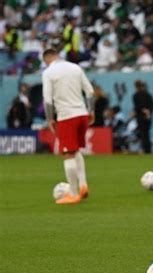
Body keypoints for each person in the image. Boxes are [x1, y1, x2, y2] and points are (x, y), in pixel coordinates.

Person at [42, 48, 94, 204]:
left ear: (47, 59)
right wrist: (91, 111)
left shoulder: (48, 72)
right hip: (82, 114)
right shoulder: (75, 67)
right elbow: (90, 92)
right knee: (75, 150)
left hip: (66, 116)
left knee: (68, 153)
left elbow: (48, 100)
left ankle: (72, 193)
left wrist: (50, 119)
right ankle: (83, 185)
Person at [132, 80, 153, 154]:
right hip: (148, 117)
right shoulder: (148, 95)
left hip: (140, 117)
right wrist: (148, 112)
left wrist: (140, 111)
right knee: (147, 133)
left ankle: (145, 149)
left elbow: (137, 107)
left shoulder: (135, 96)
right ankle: (148, 149)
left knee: (143, 134)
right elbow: (151, 105)